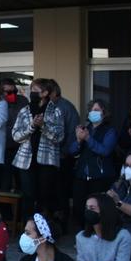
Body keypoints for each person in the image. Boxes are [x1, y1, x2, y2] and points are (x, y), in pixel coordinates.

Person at [11, 78, 64, 223]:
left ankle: (45, 229)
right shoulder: (24, 110)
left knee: (45, 196)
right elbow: (16, 135)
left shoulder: (56, 111)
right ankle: (27, 230)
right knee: (28, 195)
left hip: (47, 161)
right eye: (31, 90)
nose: (32, 93)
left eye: (35, 90)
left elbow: (59, 136)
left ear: (45, 92)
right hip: (26, 160)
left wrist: (43, 127)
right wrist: (32, 126)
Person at [68, 99, 118, 231]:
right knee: (79, 206)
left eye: (97, 110)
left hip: (100, 176)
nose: (93, 112)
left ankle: (98, 233)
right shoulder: (85, 128)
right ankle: (82, 235)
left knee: (98, 207)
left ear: (104, 113)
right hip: (81, 175)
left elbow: (105, 151)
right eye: (91, 110)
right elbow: (72, 151)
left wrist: (88, 139)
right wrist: (78, 140)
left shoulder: (110, 131)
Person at [51, 80, 81, 231]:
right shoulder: (53, 107)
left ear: (54, 92)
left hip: (62, 157)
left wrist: (65, 152)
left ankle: (62, 225)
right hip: (52, 158)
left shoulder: (64, 107)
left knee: (61, 192)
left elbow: (70, 134)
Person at [1, 78, 28, 193]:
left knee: (21, 181)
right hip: (4, 147)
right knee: (5, 181)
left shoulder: (23, 101)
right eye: (8, 92)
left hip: (21, 146)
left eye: (14, 91)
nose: (12, 95)